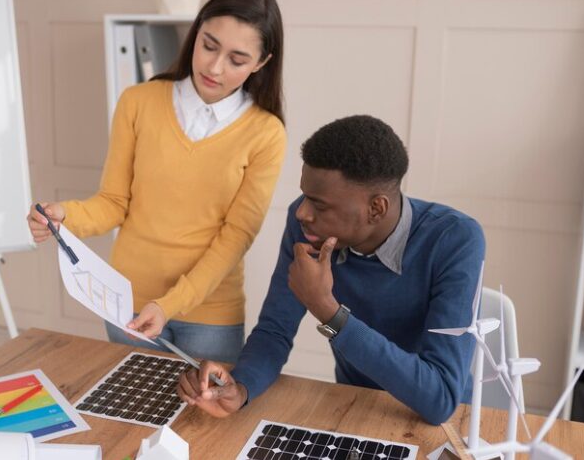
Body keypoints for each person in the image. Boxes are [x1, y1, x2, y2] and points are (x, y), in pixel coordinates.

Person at [27, 0, 286, 364]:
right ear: (196, 33)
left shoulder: (265, 133)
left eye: (237, 59)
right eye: (209, 45)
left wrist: (169, 305)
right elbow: (114, 203)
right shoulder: (139, 102)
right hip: (127, 303)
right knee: (130, 416)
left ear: (262, 63)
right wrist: (65, 217)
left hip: (211, 316)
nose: (215, 67)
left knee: (207, 422)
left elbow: (235, 237)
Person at [177, 115, 485, 425]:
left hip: (441, 426)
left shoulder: (455, 239)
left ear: (376, 208)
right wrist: (240, 388)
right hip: (353, 406)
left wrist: (327, 309)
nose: (301, 212)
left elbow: (441, 398)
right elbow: (275, 328)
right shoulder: (310, 227)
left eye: (319, 205)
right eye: (305, 196)